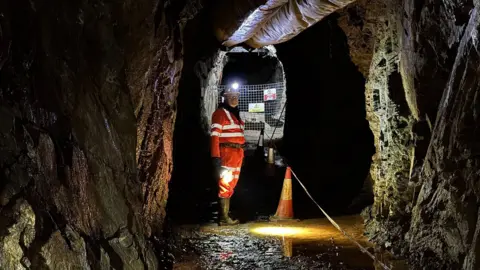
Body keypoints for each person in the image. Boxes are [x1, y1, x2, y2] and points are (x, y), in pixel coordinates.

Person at [211, 87, 245, 226]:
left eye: (236, 96)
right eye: (230, 96)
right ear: (224, 98)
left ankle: (226, 215)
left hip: (237, 155)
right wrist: (215, 157)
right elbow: (214, 136)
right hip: (226, 154)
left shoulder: (235, 115)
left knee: (231, 184)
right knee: (225, 183)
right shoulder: (220, 114)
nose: (234, 98)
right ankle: (223, 218)